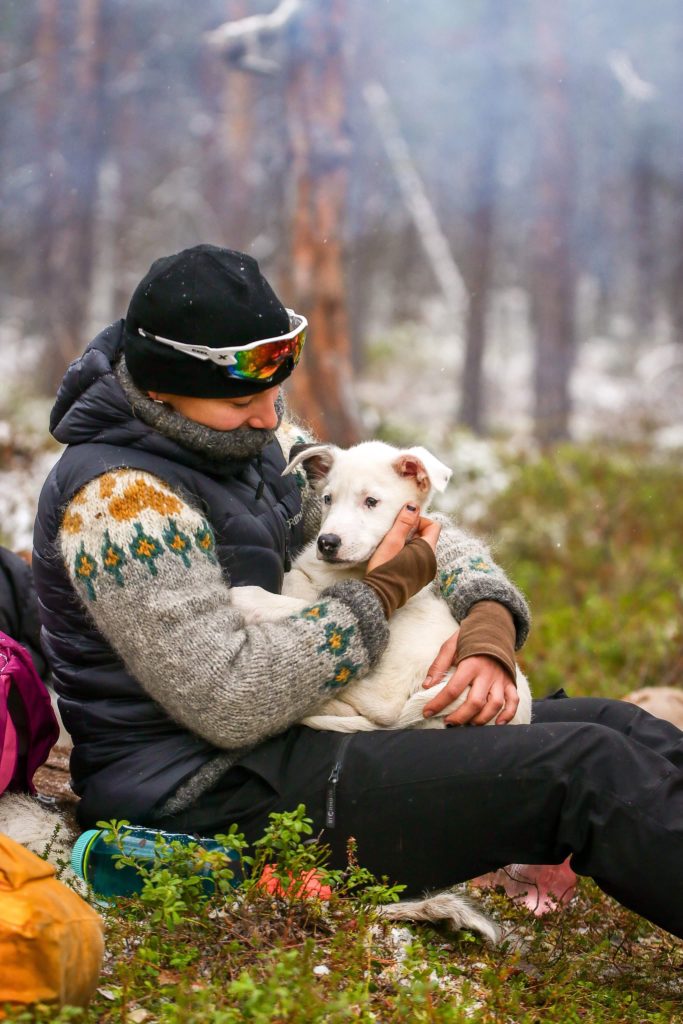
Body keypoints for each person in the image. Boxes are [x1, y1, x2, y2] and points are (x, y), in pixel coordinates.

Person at [32, 244, 683, 940]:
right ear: (162, 388)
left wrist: (487, 626)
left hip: (302, 738)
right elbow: (230, 696)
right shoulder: (120, 503)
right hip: (210, 792)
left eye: (274, 393)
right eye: (243, 400)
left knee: (624, 729)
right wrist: (386, 591)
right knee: (586, 771)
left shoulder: (244, 443)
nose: (267, 418)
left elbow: (409, 528)